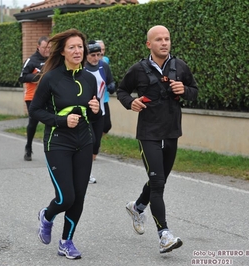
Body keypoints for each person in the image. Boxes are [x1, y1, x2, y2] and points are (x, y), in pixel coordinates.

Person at [117, 25, 198, 253]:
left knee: (159, 180)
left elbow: (194, 91)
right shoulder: (138, 70)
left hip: (172, 132)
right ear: (149, 44)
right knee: (158, 184)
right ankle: (164, 235)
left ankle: (138, 207)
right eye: (159, 39)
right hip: (148, 134)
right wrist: (130, 102)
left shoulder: (180, 66)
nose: (164, 43)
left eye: (167, 39)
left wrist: (185, 90)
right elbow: (122, 91)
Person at [29, 29, 101, 260]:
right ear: (63, 51)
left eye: (80, 46)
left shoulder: (89, 78)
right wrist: (61, 121)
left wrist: (96, 110)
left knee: (79, 197)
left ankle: (66, 242)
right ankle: (47, 216)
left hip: (84, 141)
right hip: (58, 142)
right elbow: (35, 110)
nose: (78, 51)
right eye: (72, 47)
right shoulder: (51, 78)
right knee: (66, 197)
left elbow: (95, 114)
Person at [84, 41, 115, 184]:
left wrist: (112, 86)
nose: (96, 58)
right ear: (86, 55)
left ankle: (86, 170)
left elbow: (110, 81)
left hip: (100, 111)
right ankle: (84, 173)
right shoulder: (81, 68)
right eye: (93, 55)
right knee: (90, 142)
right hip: (84, 113)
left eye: (99, 55)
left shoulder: (104, 66)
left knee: (96, 145)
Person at [18, 36, 50, 161]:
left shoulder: (53, 60)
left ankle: (51, 148)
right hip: (32, 96)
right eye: (44, 47)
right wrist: (38, 77)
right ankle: (28, 147)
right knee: (33, 122)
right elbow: (22, 77)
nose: (47, 50)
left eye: (49, 47)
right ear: (38, 47)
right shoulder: (31, 60)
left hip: (48, 96)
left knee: (51, 120)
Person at [96, 40, 113, 135]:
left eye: (103, 49)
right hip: (95, 98)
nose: (102, 52)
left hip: (105, 98)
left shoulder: (106, 60)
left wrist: (111, 85)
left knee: (107, 125)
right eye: (100, 49)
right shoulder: (88, 63)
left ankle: (98, 139)